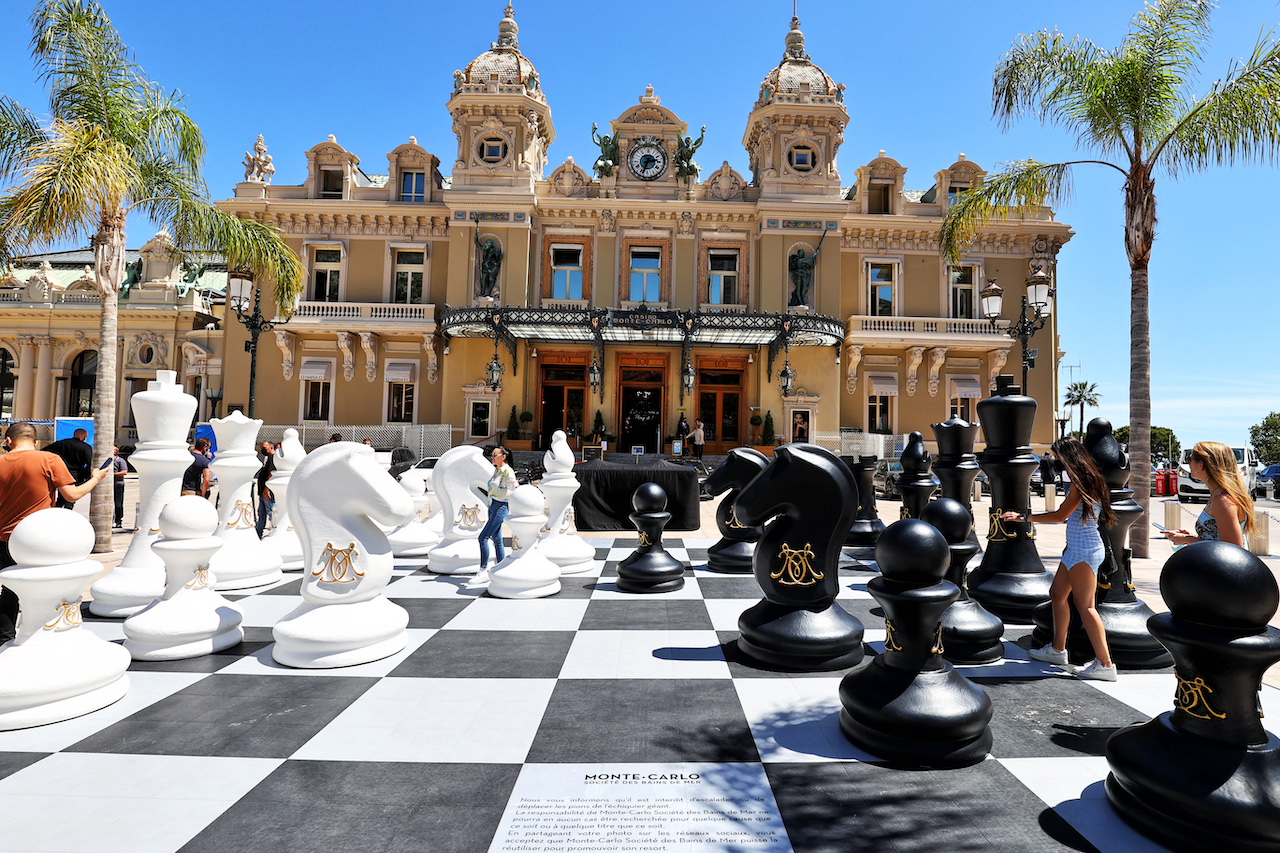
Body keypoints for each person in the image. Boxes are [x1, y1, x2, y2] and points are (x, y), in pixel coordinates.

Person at [1001, 437, 1119, 681]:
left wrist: (1023, 517)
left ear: (1068, 456)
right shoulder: (1086, 477)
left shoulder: (1083, 481)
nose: (1055, 460)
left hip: (1084, 550)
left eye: (1057, 456)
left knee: (1086, 606)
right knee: (1057, 594)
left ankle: (1105, 664)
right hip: (1076, 549)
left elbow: (1059, 515)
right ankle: (1057, 649)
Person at [0, 422, 108, 642]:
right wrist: (96, 477)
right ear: (36, 442)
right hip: (38, 538)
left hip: (4, 536)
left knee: (9, 591)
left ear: (8, 441)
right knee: (44, 588)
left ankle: (5, 639)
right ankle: (40, 637)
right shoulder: (48, 459)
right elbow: (71, 495)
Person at [1164, 441, 1254, 548]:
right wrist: (1191, 537)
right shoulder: (1218, 495)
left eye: (1190, 459)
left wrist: (1188, 540)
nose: (1189, 464)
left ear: (1201, 465)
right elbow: (1217, 538)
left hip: (1221, 564)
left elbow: (1232, 548)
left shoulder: (1223, 500)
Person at [473, 447, 517, 585]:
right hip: (493, 506)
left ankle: (483, 570)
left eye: (495, 455)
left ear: (503, 456)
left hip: (501, 507)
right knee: (497, 540)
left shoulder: (507, 471)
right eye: (492, 455)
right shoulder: (497, 470)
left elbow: (515, 487)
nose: (492, 457)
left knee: (483, 538)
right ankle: (500, 567)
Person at [44, 427, 92, 508]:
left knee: (60, 498)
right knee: (70, 500)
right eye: (85, 437)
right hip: (76, 475)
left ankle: (56, 514)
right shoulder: (85, 447)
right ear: (82, 436)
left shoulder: (61, 444)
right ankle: (66, 515)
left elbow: (44, 451)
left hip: (61, 472)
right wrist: (87, 476)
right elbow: (89, 463)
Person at [254, 440, 276, 539]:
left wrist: (266, 489)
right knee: (261, 514)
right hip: (262, 491)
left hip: (267, 492)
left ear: (271, 447)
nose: (262, 450)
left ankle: (275, 532)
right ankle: (259, 533)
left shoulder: (273, 458)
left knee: (270, 513)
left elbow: (272, 474)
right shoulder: (268, 458)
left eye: (264, 448)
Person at [112, 445, 128, 529]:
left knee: (118, 504)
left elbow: (124, 472)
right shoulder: (107, 461)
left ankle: (118, 521)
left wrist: (113, 474)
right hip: (109, 485)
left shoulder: (120, 461)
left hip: (118, 484)